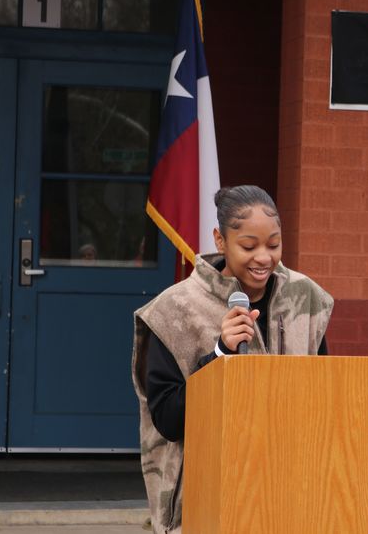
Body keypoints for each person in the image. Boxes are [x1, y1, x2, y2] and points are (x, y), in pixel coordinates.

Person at [130, 185, 333, 534]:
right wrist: (220, 353)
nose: (264, 258)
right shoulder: (174, 310)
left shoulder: (306, 299)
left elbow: (326, 399)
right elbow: (168, 420)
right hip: (205, 503)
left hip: (292, 497)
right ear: (220, 241)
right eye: (249, 246)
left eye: (274, 244)